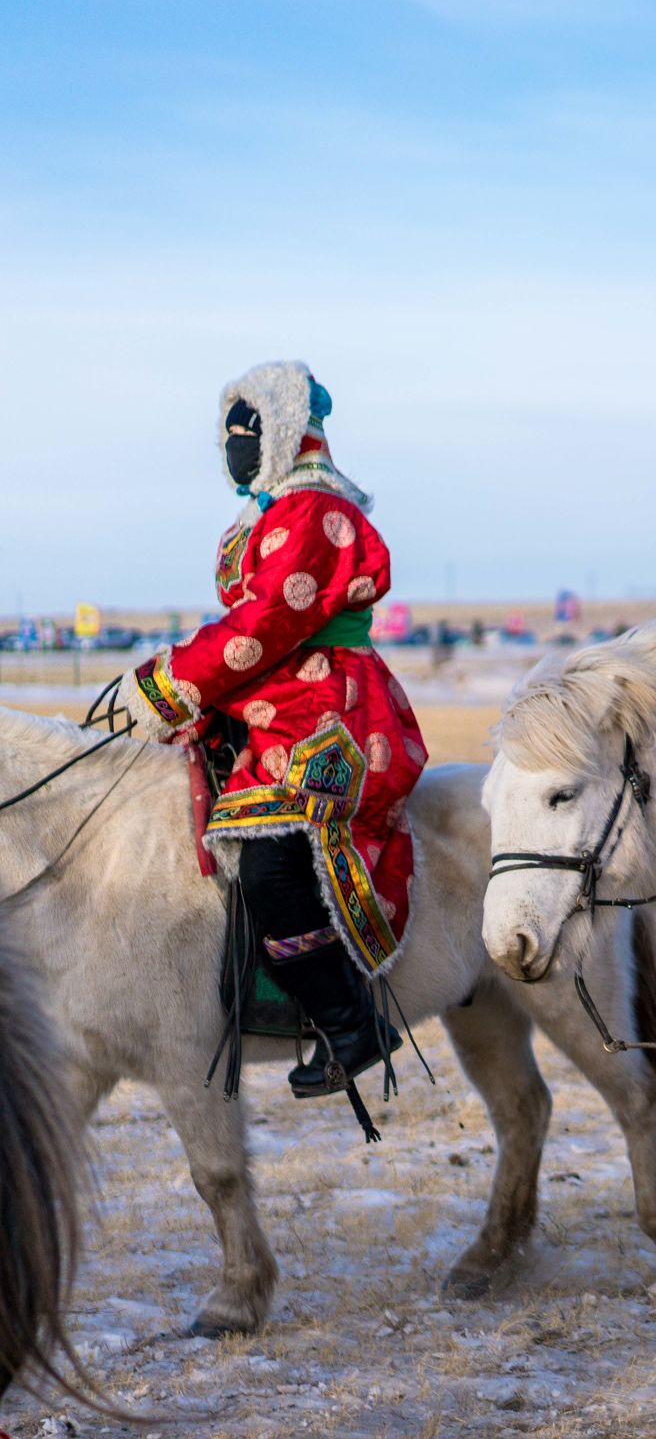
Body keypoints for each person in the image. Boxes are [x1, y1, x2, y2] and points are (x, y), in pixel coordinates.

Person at [118, 362, 426, 1105]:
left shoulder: (314, 511)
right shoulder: (269, 512)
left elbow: (263, 624)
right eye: (227, 436)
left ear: (287, 431)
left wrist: (167, 683)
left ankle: (350, 1027)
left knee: (269, 869)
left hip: (327, 710)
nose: (234, 448)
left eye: (248, 433)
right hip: (276, 700)